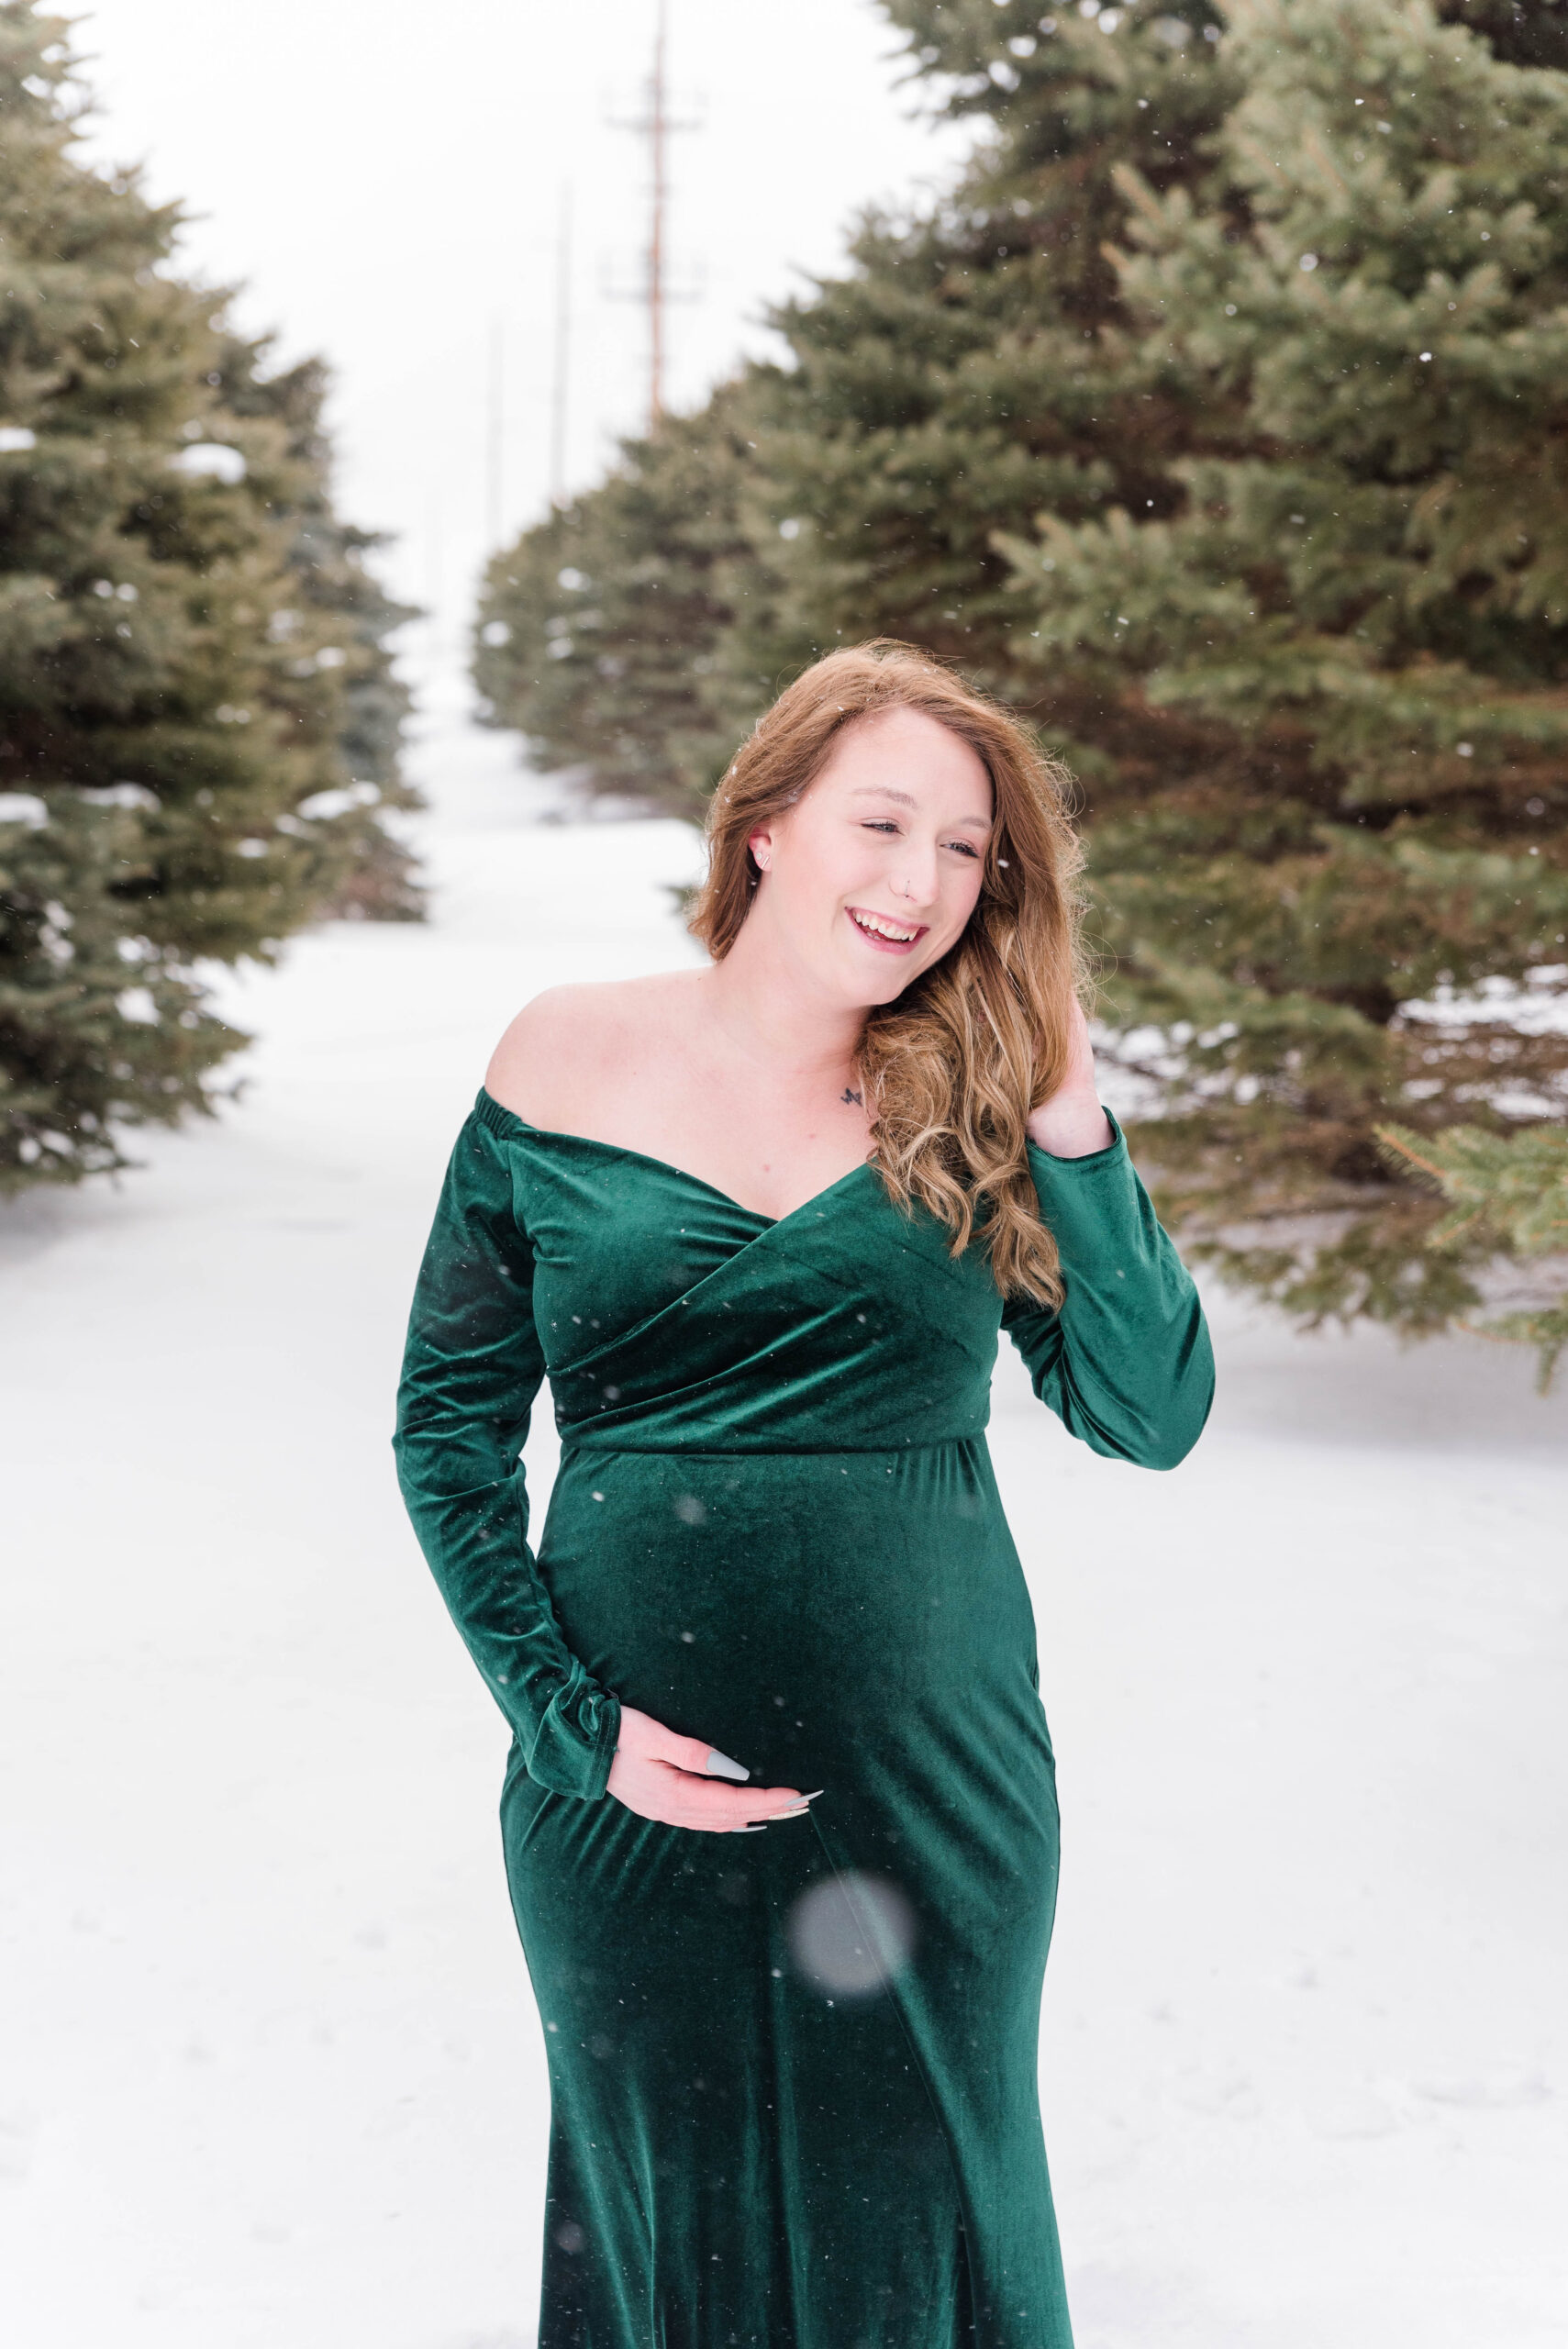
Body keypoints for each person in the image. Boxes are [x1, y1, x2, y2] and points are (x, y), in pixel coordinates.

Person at [394, 640, 1214, 2349]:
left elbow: (1149, 1414)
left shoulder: (979, 1099)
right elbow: (448, 1428)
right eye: (880, 822)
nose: (918, 882)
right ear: (767, 822)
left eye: (965, 848)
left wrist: (1072, 1126)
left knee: (925, 2217)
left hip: (932, 1788)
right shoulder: (560, 1054)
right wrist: (566, 1726)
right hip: (620, 1786)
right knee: (658, 2218)